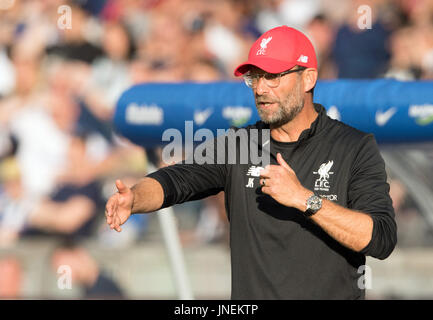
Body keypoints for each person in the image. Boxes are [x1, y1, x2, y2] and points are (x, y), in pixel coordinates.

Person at [105, 25, 397, 299]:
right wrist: (134, 198)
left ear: (308, 78)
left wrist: (304, 199)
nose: (259, 88)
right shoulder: (239, 145)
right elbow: (175, 181)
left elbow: (381, 238)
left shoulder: (354, 146)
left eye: (272, 76)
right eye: (254, 77)